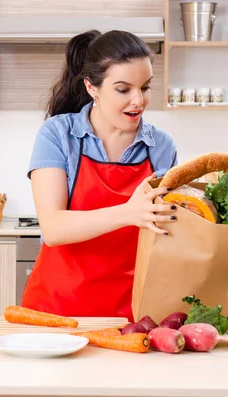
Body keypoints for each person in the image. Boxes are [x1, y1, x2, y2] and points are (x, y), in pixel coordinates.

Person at [20, 30, 179, 322]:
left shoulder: (161, 146)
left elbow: (166, 236)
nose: (138, 100)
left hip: (129, 316)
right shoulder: (59, 134)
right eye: (123, 89)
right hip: (56, 313)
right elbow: (53, 228)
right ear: (92, 87)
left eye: (145, 87)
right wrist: (129, 212)